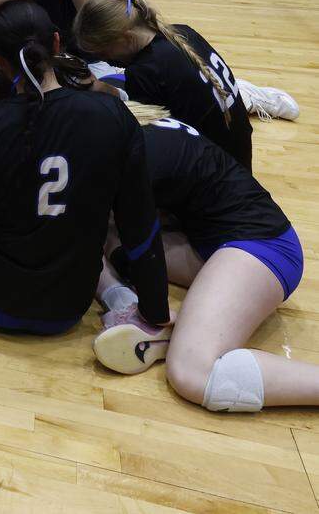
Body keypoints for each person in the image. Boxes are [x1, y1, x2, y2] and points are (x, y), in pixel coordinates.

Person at [0, 1, 171, 337]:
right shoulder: (111, 113)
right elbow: (139, 222)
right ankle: (115, 295)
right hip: (70, 306)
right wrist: (155, 312)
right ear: (58, 44)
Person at [93, 106, 318, 412]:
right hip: (213, 244)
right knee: (107, 235)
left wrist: (152, 310)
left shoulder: (136, 158)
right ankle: (183, 331)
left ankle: (186, 338)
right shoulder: (130, 123)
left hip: (262, 249)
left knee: (192, 374)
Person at [73, 0, 252, 169]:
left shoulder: (144, 72)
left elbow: (152, 138)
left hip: (214, 170)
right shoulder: (182, 32)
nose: (104, 60)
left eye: (103, 53)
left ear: (126, 38)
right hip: (239, 150)